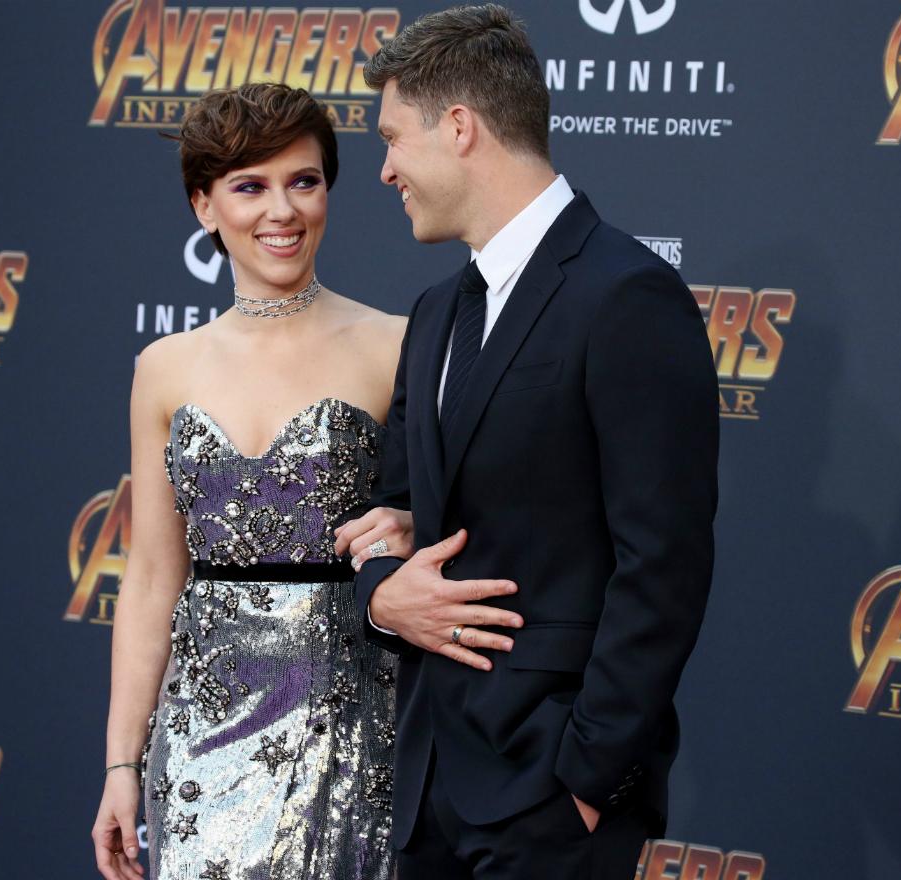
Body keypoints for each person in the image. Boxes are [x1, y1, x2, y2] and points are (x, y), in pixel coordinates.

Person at [335, 5, 720, 879]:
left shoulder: (626, 296)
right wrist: (380, 595)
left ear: (460, 128)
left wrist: (587, 780)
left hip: (552, 794)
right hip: (429, 782)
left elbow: (663, 562)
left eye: (393, 139)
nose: (386, 169)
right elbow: (387, 514)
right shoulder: (435, 313)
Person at [90, 83, 412, 880]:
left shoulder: (396, 345)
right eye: (250, 187)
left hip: (350, 723)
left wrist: (408, 525)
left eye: (304, 181)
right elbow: (156, 575)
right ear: (204, 206)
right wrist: (120, 766)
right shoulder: (163, 368)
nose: (284, 211)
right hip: (200, 734)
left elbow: (454, 520)